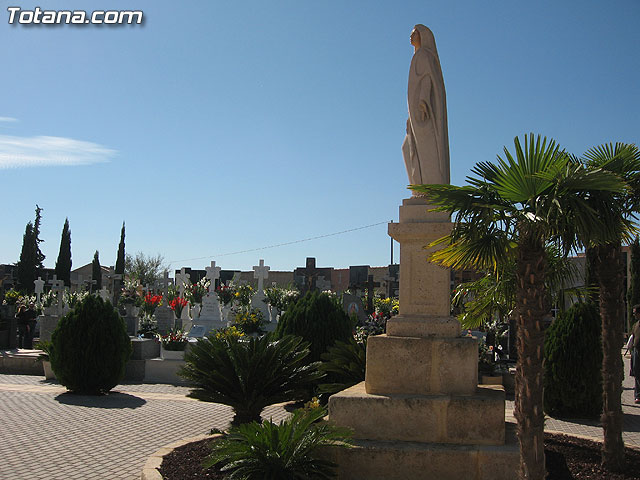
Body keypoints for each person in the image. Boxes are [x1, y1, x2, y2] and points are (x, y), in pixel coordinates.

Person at [402, 24, 450, 187]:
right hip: (415, 114)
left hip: (424, 112)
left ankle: (430, 187)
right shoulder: (417, 56)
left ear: (422, 36)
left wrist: (423, 101)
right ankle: (418, 187)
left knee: (427, 149)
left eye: (414, 33)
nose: (411, 36)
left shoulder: (424, 56)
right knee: (407, 147)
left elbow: (428, 79)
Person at [630, 304, 640, 404]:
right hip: (636, 351)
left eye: (635, 313)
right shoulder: (636, 325)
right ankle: (638, 395)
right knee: (636, 372)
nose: (634, 315)